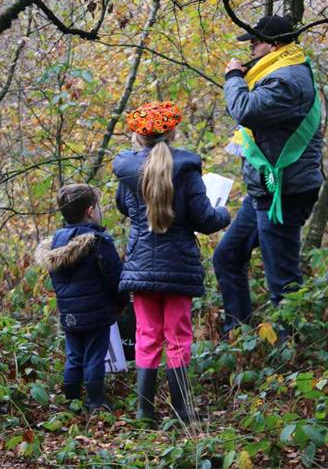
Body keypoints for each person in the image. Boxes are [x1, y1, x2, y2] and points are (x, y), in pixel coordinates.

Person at [113, 102, 231, 424]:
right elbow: (205, 219)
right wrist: (224, 213)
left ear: (138, 136)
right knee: (178, 337)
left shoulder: (127, 171)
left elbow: (123, 207)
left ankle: (144, 412)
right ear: (172, 132)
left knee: (147, 335)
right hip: (179, 266)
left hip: (141, 266)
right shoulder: (187, 169)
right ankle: (183, 411)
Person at [215, 15, 323, 335]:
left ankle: (294, 350)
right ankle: (238, 336)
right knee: (227, 257)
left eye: (255, 41)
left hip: (284, 192)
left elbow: (245, 109)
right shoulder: (279, 69)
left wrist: (233, 77)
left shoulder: (286, 79)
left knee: (283, 283)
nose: (250, 47)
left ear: (274, 44)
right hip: (266, 189)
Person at [34, 184, 129, 411]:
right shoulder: (99, 242)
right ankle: (96, 401)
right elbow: (115, 277)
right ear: (90, 211)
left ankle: (72, 401)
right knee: (95, 355)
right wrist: (121, 302)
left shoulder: (57, 243)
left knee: (74, 356)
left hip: (70, 313)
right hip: (97, 311)